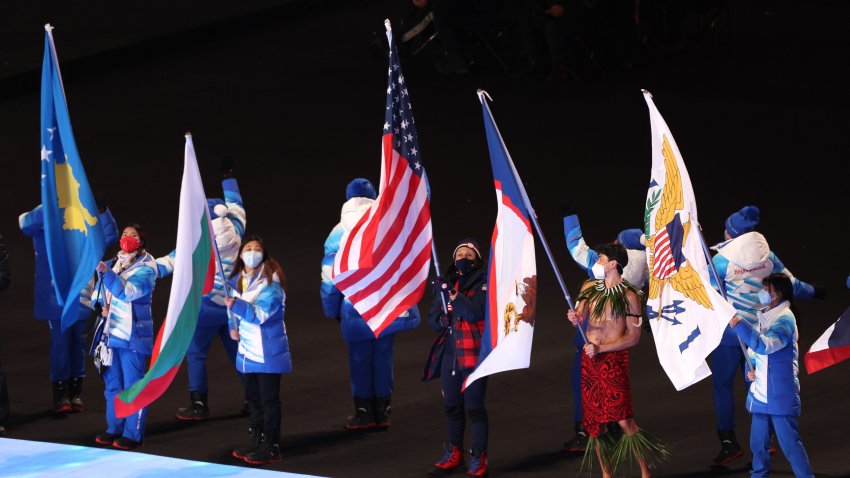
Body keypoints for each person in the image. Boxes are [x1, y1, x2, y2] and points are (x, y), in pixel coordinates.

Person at [709, 205, 823, 465]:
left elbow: (710, 297)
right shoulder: (768, 255)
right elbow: (791, 285)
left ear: (731, 233)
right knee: (758, 383)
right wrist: (816, 292)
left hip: (731, 333)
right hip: (761, 329)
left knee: (722, 387)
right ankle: (766, 441)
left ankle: (729, 442)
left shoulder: (721, 260)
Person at [321, 178, 421, 430]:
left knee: (359, 360)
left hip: (354, 307)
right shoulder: (387, 225)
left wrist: (331, 309)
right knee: (384, 357)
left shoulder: (337, 232)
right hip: (384, 306)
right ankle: (383, 411)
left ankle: (363, 412)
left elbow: (330, 276)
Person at [157, 158, 247, 420]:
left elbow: (169, 263)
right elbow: (237, 203)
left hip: (205, 308)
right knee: (239, 354)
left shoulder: (197, 242)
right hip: (232, 307)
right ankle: (253, 399)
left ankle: (199, 405)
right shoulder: (237, 229)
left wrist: (141, 265)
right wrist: (228, 175)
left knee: (196, 355)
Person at [567, 243, 666, 478]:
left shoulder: (629, 296)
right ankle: (606, 474)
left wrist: (601, 348)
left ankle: (645, 472)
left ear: (613, 264)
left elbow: (633, 337)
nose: (596, 262)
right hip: (589, 360)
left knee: (623, 419)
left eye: (600, 258)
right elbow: (580, 314)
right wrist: (574, 316)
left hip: (612, 359)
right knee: (594, 423)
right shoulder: (589, 286)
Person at [560, 205, 648, 453]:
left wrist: (569, 217)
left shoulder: (602, 272)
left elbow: (576, 246)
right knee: (606, 408)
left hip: (602, 346)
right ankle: (604, 433)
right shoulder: (646, 266)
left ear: (613, 260)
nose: (599, 258)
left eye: (604, 254)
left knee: (600, 405)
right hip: (600, 344)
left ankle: (589, 432)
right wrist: (575, 315)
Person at [18, 201, 118, 414]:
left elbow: (109, 236)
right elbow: (24, 223)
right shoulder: (47, 223)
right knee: (61, 344)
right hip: (57, 298)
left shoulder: (84, 223)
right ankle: (60, 393)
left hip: (83, 298)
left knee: (77, 343)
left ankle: (75, 391)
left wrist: (101, 211)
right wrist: (52, 201)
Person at [729, 274, 815, 478]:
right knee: (757, 444)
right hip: (761, 394)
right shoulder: (766, 314)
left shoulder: (785, 318)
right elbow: (755, 351)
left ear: (777, 294)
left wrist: (739, 324)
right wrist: (754, 370)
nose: (762, 293)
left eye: (766, 289)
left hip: (779, 395)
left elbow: (766, 345)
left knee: (790, 445)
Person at [424, 238, 489, 478]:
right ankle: (454, 453)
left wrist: (451, 293)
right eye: (459, 253)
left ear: (477, 259)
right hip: (451, 355)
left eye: (469, 255)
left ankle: (479, 457)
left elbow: (473, 312)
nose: (463, 257)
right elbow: (433, 318)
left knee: (474, 407)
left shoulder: (484, 281)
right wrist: (441, 320)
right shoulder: (447, 282)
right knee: (451, 407)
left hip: (474, 355)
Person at [226, 235, 291, 465]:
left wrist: (237, 305)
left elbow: (260, 315)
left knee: (269, 401)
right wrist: (232, 327)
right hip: (247, 352)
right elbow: (232, 313)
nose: (252, 252)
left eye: (257, 249)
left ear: (264, 254)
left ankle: (271, 446)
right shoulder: (236, 281)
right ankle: (257, 440)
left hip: (268, 352)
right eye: (248, 248)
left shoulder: (271, 285)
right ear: (241, 254)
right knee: (253, 399)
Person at [91, 224, 157, 450]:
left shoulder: (147, 269)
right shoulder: (111, 264)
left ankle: (133, 433)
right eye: (125, 234)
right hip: (111, 335)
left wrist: (106, 274)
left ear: (141, 242)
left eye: (133, 235)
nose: (127, 238)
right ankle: (114, 428)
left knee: (133, 385)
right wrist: (101, 306)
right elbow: (96, 296)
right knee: (113, 385)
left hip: (133, 338)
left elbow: (127, 292)